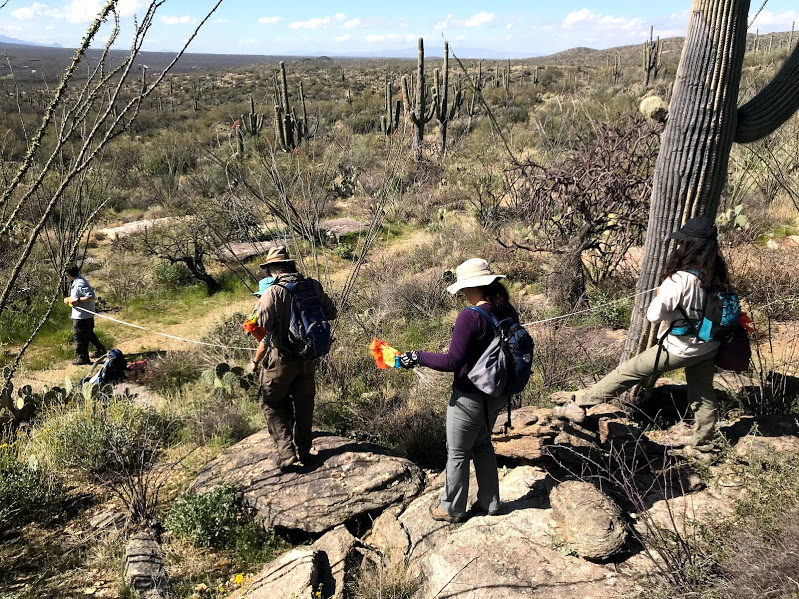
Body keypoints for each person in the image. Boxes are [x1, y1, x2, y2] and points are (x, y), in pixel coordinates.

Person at [553, 216, 728, 450]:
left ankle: (580, 405)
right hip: (708, 344)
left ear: (689, 245)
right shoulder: (716, 274)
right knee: (702, 392)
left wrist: (661, 297)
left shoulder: (679, 279)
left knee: (627, 371)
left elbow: (654, 316)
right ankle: (704, 445)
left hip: (680, 347)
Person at [398, 258, 518, 523]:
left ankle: (452, 508)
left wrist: (417, 356)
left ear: (472, 287)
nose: (462, 292)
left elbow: (453, 361)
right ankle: (489, 502)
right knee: (483, 444)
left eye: (464, 287)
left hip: (469, 396)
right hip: (497, 393)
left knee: (458, 452)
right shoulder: (507, 309)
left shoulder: (470, 316)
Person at [250, 247, 337, 470]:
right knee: (304, 404)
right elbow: (331, 312)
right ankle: (305, 451)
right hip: (308, 357)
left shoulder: (273, 292)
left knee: (272, 402)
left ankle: (287, 453)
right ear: (290, 265)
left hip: (282, 359)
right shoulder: (312, 285)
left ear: (272, 270)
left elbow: (263, 327)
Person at [64, 264, 106, 365]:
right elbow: (79, 295)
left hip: (82, 316)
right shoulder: (78, 281)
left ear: (68, 275)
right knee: (88, 333)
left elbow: (91, 296)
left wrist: (76, 299)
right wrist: (69, 299)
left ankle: (83, 358)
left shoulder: (80, 283)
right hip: (84, 314)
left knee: (79, 336)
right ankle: (99, 350)